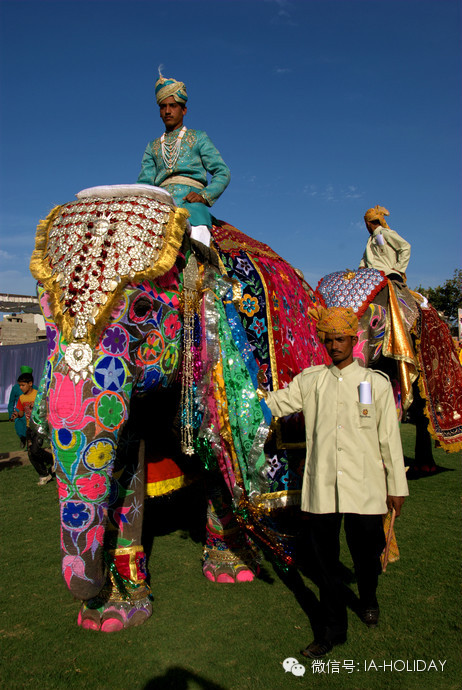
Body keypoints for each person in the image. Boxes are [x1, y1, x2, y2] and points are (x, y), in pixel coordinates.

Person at [260, 306, 408, 658]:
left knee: (367, 556)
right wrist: (229, 394)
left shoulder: (374, 384)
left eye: (341, 338)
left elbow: (388, 436)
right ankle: (331, 631)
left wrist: (396, 488)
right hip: (323, 488)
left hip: (366, 488)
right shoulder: (312, 381)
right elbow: (275, 404)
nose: (335, 345)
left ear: (353, 339)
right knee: (326, 566)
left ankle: (368, 597)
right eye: (329, 339)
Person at [137, 71, 231, 247]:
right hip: (161, 204)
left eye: (172, 106)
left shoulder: (198, 138)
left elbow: (222, 172)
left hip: (191, 203)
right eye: (163, 107)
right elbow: (144, 183)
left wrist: (204, 196)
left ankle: (208, 270)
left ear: (184, 110)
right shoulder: (153, 146)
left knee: (198, 227)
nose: (167, 111)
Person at [10, 371, 53, 486]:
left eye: (23, 385)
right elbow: (21, 412)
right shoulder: (21, 398)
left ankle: (52, 460)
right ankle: (44, 474)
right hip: (29, 428)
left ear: (30, 383)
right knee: (31, 454)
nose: (21, 387)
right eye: (19, 385)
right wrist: (16, 414)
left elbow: (47, 407)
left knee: (35, 450)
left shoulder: (38, 395)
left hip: (39, 427)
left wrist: (38, 406)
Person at [359, 205, 411, 282]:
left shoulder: (385, 233)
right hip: (371, 276)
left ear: (368, 223)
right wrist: (362, 266)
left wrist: (398, 269)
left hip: (388, 274)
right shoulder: (370, 240)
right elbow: (365, 257)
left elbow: (405, 247)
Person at [8, 366, 36, 448]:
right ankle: (23, 439)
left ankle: (30, 448)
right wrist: (11, 415)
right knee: (21, 430)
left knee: (31, 434)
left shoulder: (36, 390)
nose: (22, 387)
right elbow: (11, 402)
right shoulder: (16, 388)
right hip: (20, 414)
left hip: (31, 416)